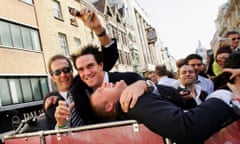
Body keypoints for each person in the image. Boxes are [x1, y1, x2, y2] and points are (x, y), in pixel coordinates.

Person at [90, 79, 239, 144]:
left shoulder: (138, 94)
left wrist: (146, 85)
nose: (103, 85)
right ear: (109, 106)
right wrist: (224, 96)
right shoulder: (132, 102)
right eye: (100, 91)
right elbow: (187, 128)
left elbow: (183, 99)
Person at [43, 8, 119, 129]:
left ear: (72, 70)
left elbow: (109, 57)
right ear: (52, 76)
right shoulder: (50, 102)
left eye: (66, 70)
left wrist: (98, 29)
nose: (63, 75)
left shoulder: (84, 82)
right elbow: (51, 132)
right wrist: (61, 124)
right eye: (57, 72)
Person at [54, 45, 151, 128]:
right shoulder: (77, 91)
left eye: (90, 66)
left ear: (100, 65)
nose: (86, 73)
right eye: (81, 69)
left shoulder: (129, 79)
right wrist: (61, 124)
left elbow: (158, 97)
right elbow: (72, 127)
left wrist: (145, 85)